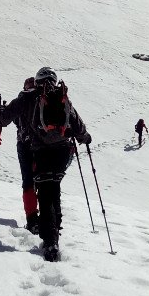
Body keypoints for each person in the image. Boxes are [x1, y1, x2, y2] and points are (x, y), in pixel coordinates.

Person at [21, 67, 91, 261]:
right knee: (54, 189)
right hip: (62, 152)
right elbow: (77, 124)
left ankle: (50, 242)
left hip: (41, 152)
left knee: (45, 195)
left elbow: (14, 119)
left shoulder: (33, 98)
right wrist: (85, 137)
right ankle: (55, 230)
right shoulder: (62, 97)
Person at [0, 76, 41, 233]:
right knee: (44, 180)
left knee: (28, 181)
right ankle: (48, 218)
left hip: (25, 146)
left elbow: (3, 119)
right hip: (44, 146)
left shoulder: (22, 100)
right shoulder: (44, 100)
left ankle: (32, 220)